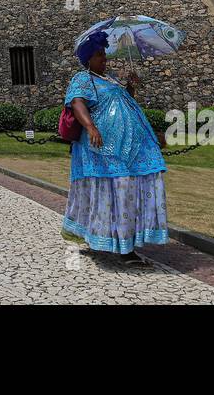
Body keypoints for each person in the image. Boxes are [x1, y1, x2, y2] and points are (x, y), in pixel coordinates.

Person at [62, 30, 167, 265]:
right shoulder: (82, 79)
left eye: (104, 55)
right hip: (101, 149)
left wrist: (130, 86)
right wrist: (91, 127)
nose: (104, 59)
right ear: (88, 58)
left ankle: (124, 241)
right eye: (99, 55)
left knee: (130, 189)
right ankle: (118, 245)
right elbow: (77, 102)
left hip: (128, 147)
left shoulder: (111, 80)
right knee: (114, 190)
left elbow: (124, 101)